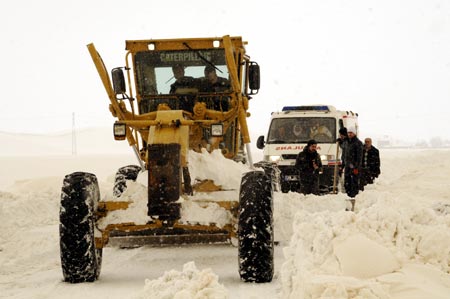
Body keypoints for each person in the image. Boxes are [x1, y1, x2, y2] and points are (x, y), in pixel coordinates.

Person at [342, 126, 363, 200]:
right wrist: (342, 165)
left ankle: (354, 198)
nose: (349, 134)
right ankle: (348, 196)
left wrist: (356, 167)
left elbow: (359, 157)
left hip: (354, 167)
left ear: (354, 133)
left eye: (351, 133)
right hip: (347, 166)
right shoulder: (346, 142)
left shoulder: (358, 143)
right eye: (348, 133)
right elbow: (344, 154)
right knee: (347, 183)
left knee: (354, 183)